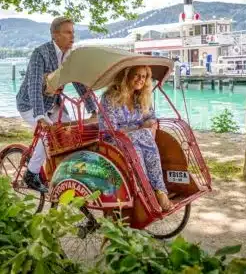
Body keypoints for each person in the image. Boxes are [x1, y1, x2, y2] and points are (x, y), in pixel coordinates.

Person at [16, 16, 97, 193]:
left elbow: (80, 84)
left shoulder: (71, 56)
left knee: (70, 132)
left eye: (73, 32)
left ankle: (62, 170)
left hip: (53, 104)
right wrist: (40, 116)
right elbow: (34, 86)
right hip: (30, 104)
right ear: (55, 35)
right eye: (68, 32)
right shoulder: (41, 53)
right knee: (48, 134)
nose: (72, 36)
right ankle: (31, 173)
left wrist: (93, 110)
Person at [98, 65, 173, 212]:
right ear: (126, 76)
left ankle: (159, 190)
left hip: (137, 141)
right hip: (112, 141)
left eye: (144, 77)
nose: (141, 80)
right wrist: (139, 128)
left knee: (141, 143)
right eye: (137, 75)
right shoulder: (110, 97)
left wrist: (150, 123)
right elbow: (110, 129)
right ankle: (148, 192)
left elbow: (151, 117)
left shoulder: (140, 97)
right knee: (142, 138)